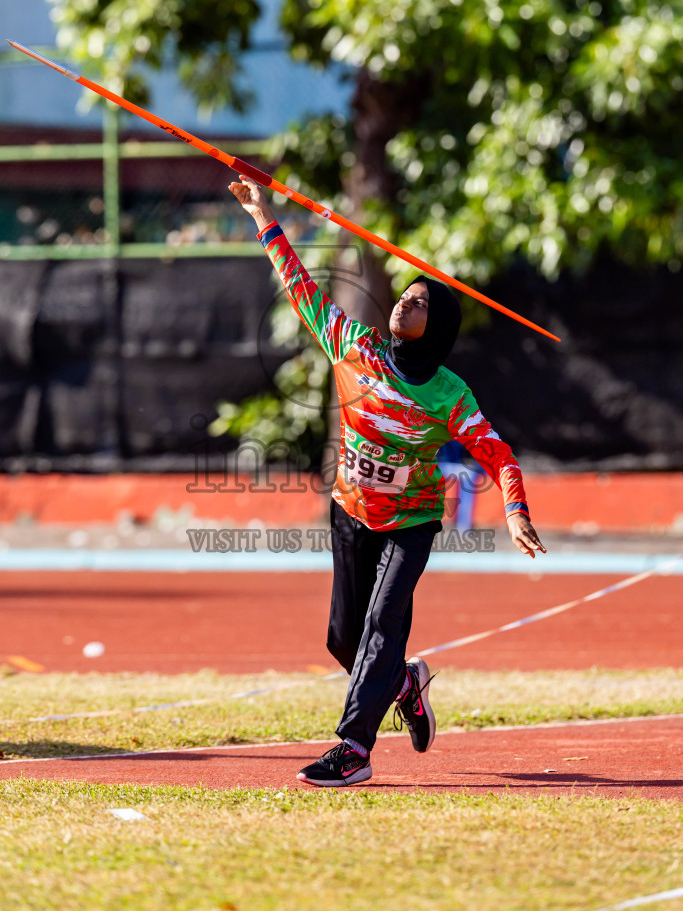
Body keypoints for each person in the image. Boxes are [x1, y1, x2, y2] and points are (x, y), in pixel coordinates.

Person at [229, 175, 546, 787]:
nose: (404, 302)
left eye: (422, 303)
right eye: (405, 295)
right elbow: (299, 285)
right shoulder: (353, 345)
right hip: (350, 512)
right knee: (343, 641)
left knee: (380, 625)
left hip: (412, 523)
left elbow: (499, 456)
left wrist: (515, 510)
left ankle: (353, 751)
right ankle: (403, 681)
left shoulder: (450, 394)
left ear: (441, 326)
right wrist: (263, 212)